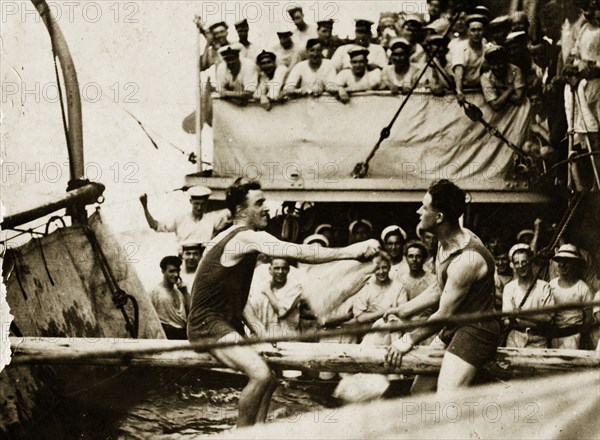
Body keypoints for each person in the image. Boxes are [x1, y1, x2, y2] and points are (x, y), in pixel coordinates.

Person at [187, 178, 380, 427]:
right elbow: (298, 252)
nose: (266, 207)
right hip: (207, 327)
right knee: (260, 374)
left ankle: (261, 429)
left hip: (219, 323)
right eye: (259, 203)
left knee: (271, 378)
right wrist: (351, 251)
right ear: (240, 211)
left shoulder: (222, 238)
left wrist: (259, 330)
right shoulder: (246, 237)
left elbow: (229, 295)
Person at [385, 179, 500, 393]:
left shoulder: (466, 260)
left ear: (439, 217)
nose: (419, 211)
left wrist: (407, 340)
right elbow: (440, 288)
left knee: (446, 399)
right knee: (419, 391)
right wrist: (404, 310)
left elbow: (444, 313)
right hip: (454, 326)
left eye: (424, 207)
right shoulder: (444, 241)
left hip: (476, 331)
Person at [139, 186, 230, 248]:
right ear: (191, 201)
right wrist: (145, 206)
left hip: (203, 261)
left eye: (202, 204)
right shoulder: (180, 219)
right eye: (196, 204)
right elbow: (154, 225)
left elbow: (233, 211)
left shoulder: (212, 218)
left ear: (206, 203)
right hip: (184, 260)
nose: (199, 207)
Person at [502, 244, 554, 348]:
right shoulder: (509, 288)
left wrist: (520, 314)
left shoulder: (544, 287)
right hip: (515, 338)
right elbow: (507, 321)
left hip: (538, 338)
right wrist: (536, 318)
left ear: (531, 262)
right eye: (517, 263)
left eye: (524, 261)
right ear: (513, 266)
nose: (521, 266)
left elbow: (548, 318)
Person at [244, 257, 303, 339]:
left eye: (284, 269)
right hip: (260, 336)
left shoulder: (295, 288)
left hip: (285, 337)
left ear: (289, 270)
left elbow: (282, 312)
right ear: (270, 270)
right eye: (276, 268)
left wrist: (268, 291)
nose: (280, 272)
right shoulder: (259, 284)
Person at [549, 244, 594, 349]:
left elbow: (589, 317)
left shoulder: (582, 288)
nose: (562, 265)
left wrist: (580, 335)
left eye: (567, 261)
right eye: (560, 261)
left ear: (575, 264)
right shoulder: (551, 285)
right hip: (555, 335)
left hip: (573, 336)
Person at [453, 14, 488, 105]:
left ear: (483, 31)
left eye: (479, 30)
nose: (476, 33)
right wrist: (459, 91)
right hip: (465, 89)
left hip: (481, 89)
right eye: (473, 30)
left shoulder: (487, 46)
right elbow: (458, 71)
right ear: (468, 31)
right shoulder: (461, 47)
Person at [151, 256, 189, 340]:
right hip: (166, 337)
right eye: (171, 271)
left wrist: (185, 292)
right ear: (163, 271)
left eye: (178, 271)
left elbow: (190, 314)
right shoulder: (155, 292)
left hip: (182, 335)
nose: (176, 274)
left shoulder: (179, 292)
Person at [480, 44, 526, 111]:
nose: (496, 67)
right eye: (493, 64)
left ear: (505, 61)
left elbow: (519, 99)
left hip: (518, 109)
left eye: (499, 63)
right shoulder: (486, 77)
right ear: (489, 64)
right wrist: (509, 90)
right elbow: (495, 105)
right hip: (499, 111)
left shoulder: (515, 70)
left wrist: (498, 90)